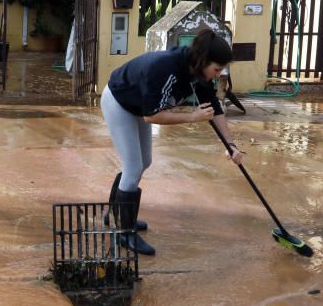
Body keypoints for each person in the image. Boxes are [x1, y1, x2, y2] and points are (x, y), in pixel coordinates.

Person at [101, 30, 243, 256]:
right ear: (203, 61)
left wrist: (231, 145)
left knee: (144, 161)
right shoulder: (166, 68)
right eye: (216, 70)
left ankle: (117, 212)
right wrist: (192, 117)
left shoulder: (199, 73)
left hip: (138, 105)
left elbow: (215, 109)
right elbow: (152, 116)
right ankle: (125, 233)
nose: (217, 75)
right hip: (119, 101)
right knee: (133, 166)